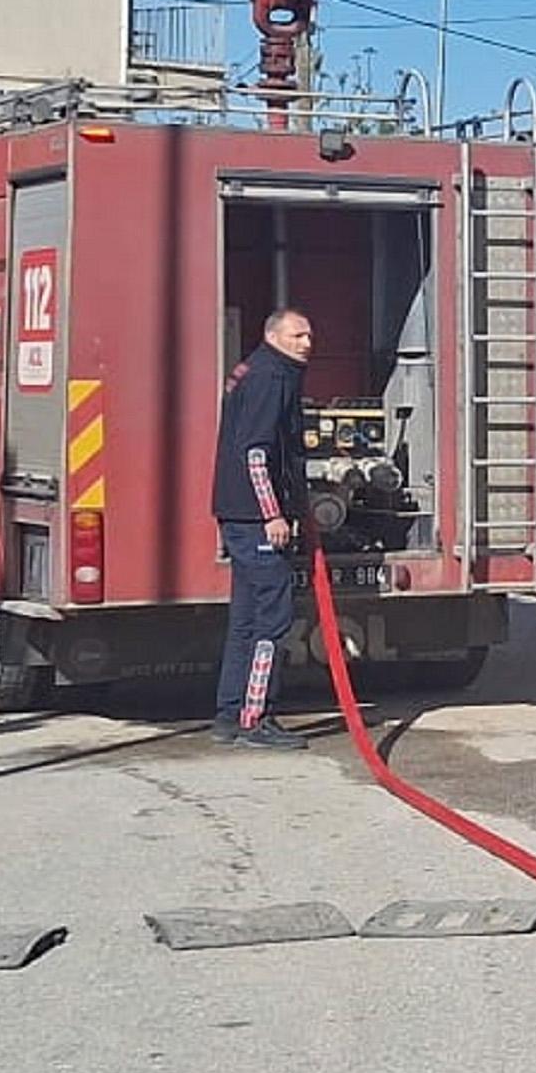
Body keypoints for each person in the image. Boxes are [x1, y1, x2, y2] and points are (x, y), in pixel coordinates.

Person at [212, 307, 315, 750]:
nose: (307, 343)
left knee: (245, 619)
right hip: (256, 520)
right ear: (273, 336)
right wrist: (273, 514)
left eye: (309, 336)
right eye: (298, 335)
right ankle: (255, 717)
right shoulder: (271, 378)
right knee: (273, 618)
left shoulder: (256, 370)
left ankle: (229, 714)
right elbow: (256, 454)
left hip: (237, 515)